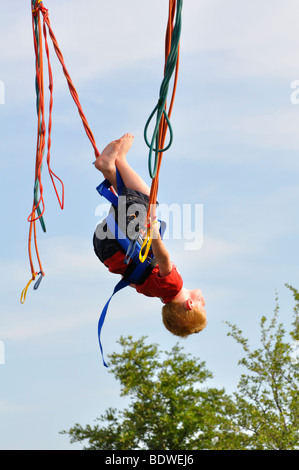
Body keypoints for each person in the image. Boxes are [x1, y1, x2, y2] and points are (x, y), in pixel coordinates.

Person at [93, 133, 207, 337]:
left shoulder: (174, 286)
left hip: (117, 240)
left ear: (190, 304)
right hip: (106, 246)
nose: (204, 302)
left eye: (202, 306)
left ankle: (118, 161)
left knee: (148, 200)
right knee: (135, 201)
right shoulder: (154, 293)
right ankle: (110, 169)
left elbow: (163, 258)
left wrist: (154, 231)